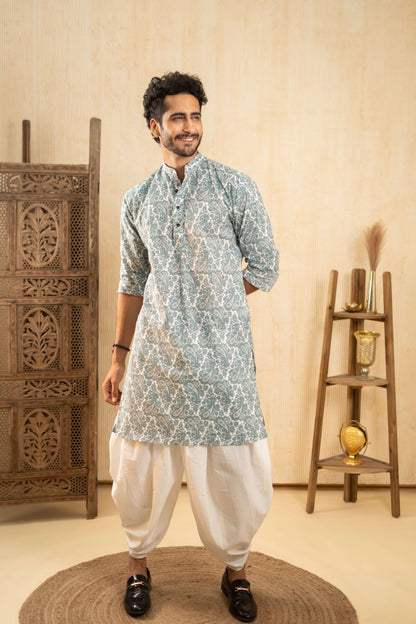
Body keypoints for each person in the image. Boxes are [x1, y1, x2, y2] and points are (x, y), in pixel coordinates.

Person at [102, 71, 279, 622]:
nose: (189, 126)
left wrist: (216, 302)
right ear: (154, 126)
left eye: (196, 115)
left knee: (233, 462)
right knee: (140, 462)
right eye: (177, 117)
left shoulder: (234, 187)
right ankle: (138, 564)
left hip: (221, 354)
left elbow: (266, 267)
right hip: (155, 353)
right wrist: (118, 357)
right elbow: (132, 281)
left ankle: (237, 571)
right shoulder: (138, 199)